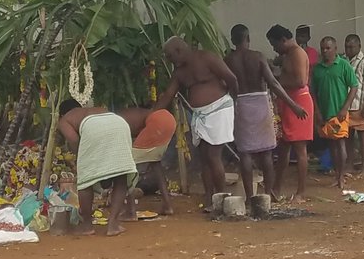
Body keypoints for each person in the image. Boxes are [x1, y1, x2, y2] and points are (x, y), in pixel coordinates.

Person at [154, 36, 239, 209]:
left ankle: (221, 198)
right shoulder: (179, 72)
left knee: (214, 156)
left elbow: (231, 78)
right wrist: (150, 115)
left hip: (219, 110)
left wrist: (234, 102)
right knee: (204, 158)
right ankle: (209, 198)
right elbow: (168, 96)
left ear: (179, 51)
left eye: (170, 56)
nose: (170, 61)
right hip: (199, 115)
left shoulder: (206, 57)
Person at [225, 24, 309, 199]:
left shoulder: (229, 60)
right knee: (266, 152)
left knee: (245, 152)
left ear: (233, 40)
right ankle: (267, 195)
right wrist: (293, 105)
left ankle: (250, 197)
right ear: (248, 39)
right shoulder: (258, 57)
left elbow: (225, 84)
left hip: (241, 103)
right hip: (261, 102)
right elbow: (274, 84)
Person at [58, 100, 140, 235]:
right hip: (119, 123)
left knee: (86, 181)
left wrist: (81, 158)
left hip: (93, 127)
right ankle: (113, 224)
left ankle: (87, 226)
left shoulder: (64, 120)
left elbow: (73, 140)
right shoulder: (91, 110)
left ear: (61, 114)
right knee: (120, 176)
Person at [266, 24, 315, 203]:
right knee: (284, 147)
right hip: (289, 102)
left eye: (274, 44)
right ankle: (276, 188)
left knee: (300, 148)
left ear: (283, 40)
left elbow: (301, 80)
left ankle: (301, 192)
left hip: (298, 102)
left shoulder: (297, 54)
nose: (274, 48)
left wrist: (279, 81)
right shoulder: (288, 54)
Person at [310, 36, 358, 190]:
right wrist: (317, 110)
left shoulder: (343, 65)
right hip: (324, 113)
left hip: (340, 113)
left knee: (341, 143)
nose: (325, 51)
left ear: (335, 49)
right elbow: (313, 92)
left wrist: (345, 108)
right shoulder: (317, 69)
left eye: (328, 48)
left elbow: (354, 87)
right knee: (331, 145)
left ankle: (342, 177)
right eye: (323, 48)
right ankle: (337, 175)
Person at [115, 105, 177, 216]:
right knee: (155, 163)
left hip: (157, 122)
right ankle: (168, 206)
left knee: (127, 165)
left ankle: (130, 211)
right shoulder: (134, 113)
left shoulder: (114, 121)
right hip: (167, 118)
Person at [343, 33, 364, 171]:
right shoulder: (342, 61)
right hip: (346, 105)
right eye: (347, 47)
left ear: (359, 46)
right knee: (348, 136)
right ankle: (349, 163)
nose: (349, 50)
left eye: (352, 47)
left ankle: (363, 165)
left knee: (362, 135)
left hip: (359, 104)